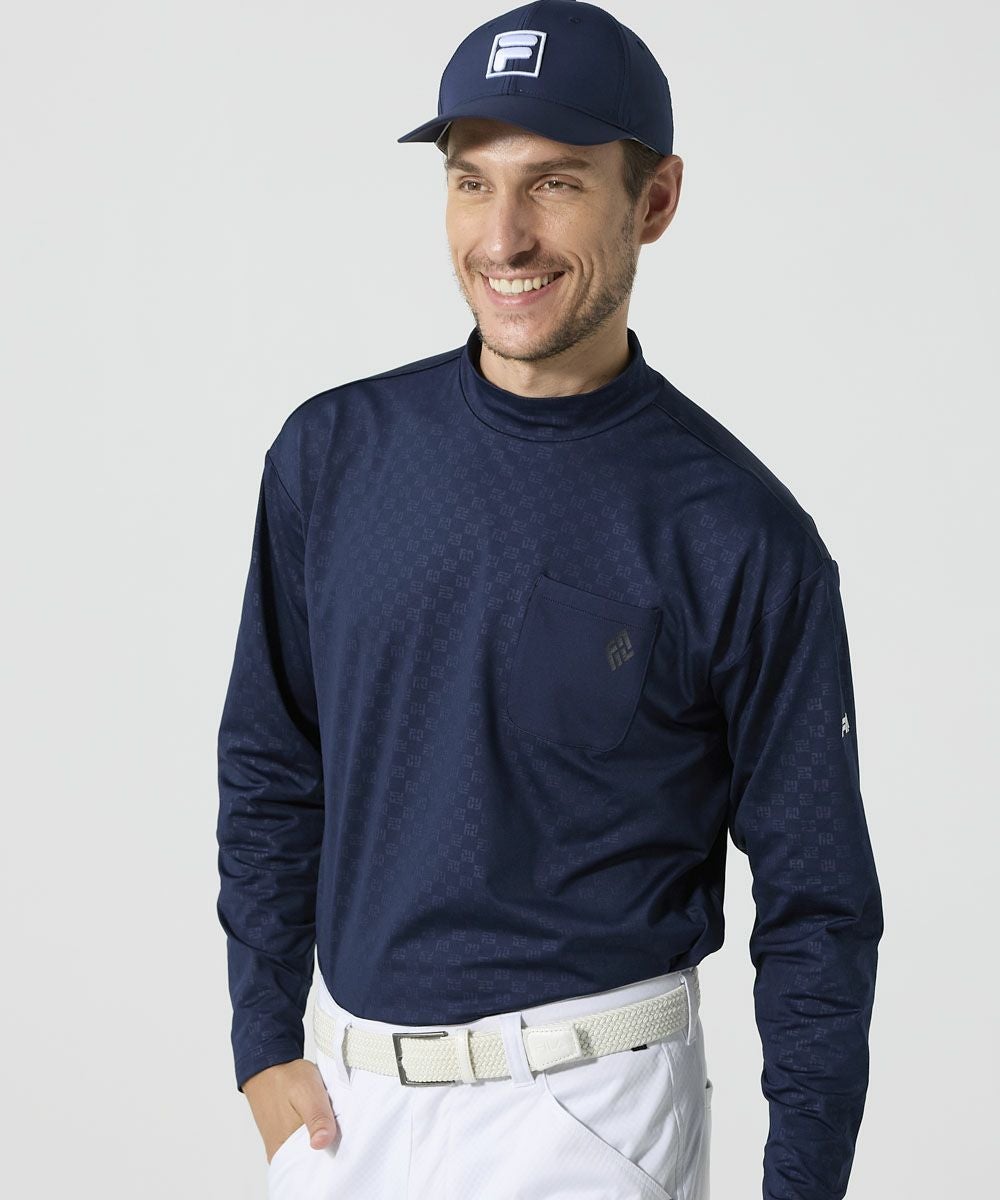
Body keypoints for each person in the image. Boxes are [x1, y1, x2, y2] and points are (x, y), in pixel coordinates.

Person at [215, 2, 884, 1197]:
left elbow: (817, 904)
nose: (503, 235)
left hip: (583, 1116)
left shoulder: (735, 534)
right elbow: (274, 758)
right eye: (471, 182)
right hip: (348, 1113)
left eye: (556, 184)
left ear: (655, 201)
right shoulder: (333, 456)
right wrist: (262, 1035)